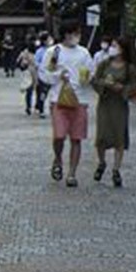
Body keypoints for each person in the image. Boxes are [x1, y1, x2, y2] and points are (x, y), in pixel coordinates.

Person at [38, 24, 95, 187]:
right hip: (58, 98)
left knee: (76, 138)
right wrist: (58, 75)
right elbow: (44, 73)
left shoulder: (84, 53)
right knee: (59, 136)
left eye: (76, 33)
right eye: (71, 33)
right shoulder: (54, 51)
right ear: (64, 34)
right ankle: (57, 159)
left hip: (80, 99)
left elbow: (91, 72)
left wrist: (87, 78)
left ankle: (72, 173)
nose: (74, 37)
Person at [92, 36, 136, 187]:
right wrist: (104, 85)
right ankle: (102, 162)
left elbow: (135, 85)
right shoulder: (104, 64)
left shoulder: (128, 68)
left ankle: (116, 169)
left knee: (119, 136)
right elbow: (95, 80)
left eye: (114, 45)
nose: (111, 48)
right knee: (101, 137)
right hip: (105, 103)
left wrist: (123, 89)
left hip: (119, 105)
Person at [32, 32, 53, 118]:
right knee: (42, 92)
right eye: (48, 39)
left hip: (51, 74)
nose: (50, 41)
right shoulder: (40, 51)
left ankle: (38, 105)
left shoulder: (53, 50)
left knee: (46, 92)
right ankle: (41, 109)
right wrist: (43, 67)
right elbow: (36, 62)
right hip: (42, 74)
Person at [17, 39, 38, 115]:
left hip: (30, 73)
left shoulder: (24, 53)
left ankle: (31, 106)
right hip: (32, 72)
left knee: (30, 91)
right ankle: (32, 106)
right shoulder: (31, 53)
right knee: (32, 90)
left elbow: (18, 61)